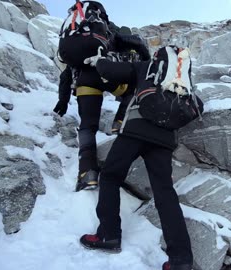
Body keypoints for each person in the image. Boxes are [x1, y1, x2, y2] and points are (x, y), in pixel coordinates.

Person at [78, 50, 194, 270]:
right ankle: (181, 260)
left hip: (135, 131)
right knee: (165, 193)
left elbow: (111, 71)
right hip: (165, 139)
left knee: (111, 176)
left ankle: (108, 235)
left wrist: (99, 61)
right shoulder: (184, 79)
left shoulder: (146, 67)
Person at [53, 28, 150, 192]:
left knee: (87, 126)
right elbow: (142, 63)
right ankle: (120, 122)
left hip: (85, 81)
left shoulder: (81, 46)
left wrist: (63, 100)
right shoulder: (114, 37)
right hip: (109, 76)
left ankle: (87, 174)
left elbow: (66, 75)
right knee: (134, 90)